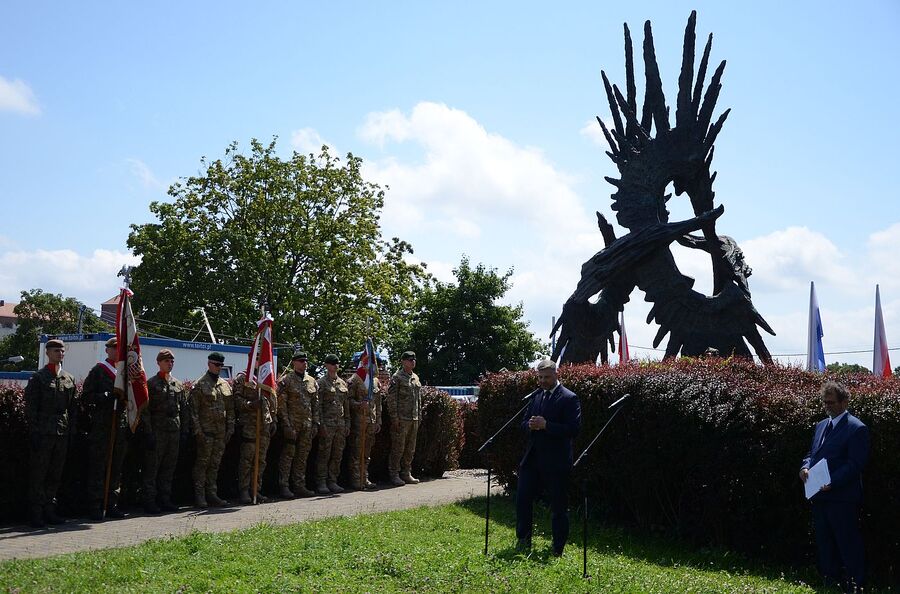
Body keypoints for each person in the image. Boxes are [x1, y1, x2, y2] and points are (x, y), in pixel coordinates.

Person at [800, 381, 870, 592]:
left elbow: (856, 464)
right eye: (824, 402)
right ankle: (830, 579)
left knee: (847, 541)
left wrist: (834, 481)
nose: (827, 406)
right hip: (819, 495)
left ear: (844, 401)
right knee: (824, 540)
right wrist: (804, 467)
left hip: (842, 497)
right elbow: (812, 453)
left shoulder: (857, 428)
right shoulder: (821, 425)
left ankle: (855, 583)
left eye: (831, 402)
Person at [515, 358, 582, 557]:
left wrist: (547, 425)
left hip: (556, 461)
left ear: (556, 375)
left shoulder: (569, 398)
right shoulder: (536, 396)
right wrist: (529, 425)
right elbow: (523, 423)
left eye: (546, 377)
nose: (543, 381)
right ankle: (523, 540)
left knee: (559, 506)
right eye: (540, 377)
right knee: (522, 499)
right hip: (533, 459)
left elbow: (574, 429)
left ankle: (558, 547)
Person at [24, 338, 77, 528]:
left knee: (55, 474)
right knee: (39, 474)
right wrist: (35, 431)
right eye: (56, 351)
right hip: (43, 432)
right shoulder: (39, 378)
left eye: (62, 351)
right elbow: (31, 407)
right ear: (47, 353)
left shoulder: (68, 378)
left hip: (61, 432)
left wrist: (72, 431)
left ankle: (49, 510)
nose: (60, 354)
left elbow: (72, 408)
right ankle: (36, 513)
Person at [83, 337, 129, 521]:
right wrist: (105, 396)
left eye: (120, 348)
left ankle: (111, 504)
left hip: (120, 424)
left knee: (116, 467)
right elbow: (86, 397)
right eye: (114, 348)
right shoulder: (99, 371)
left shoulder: (125, 372)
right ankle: (95, 505)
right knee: (98, 466)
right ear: (107, 350)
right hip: (102, 425)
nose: (117, 351)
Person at [140, 349, 189, 513]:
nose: (170, 364)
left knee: (169, 468)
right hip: (157, 431)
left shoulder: (178, 384)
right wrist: (148, 432)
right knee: (152, 468)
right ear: (159, 362)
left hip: (173, 431)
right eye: (166, 361)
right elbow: (145, 411)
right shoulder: (151, 384)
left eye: (172, 361)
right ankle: (149, 501)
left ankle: (165, 499)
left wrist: (184, 431)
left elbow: (184, 410)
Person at [189, 352, 234, 508]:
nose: (219, 368)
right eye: (216, 365)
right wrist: (198, 431)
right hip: (206, 433)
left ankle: (212, 493)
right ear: (209, 364)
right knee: (202, 465)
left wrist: (230, 428)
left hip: (221, 433)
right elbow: (193, 411)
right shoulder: (200, 384)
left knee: (215, 465)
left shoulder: (224, 384)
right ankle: (200, 496)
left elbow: (230, 409)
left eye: (221, 365)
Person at [276, 351, 320, 498]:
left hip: (307, 426)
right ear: (294, 362)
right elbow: (281, 405)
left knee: (302, 456)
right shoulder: (286, 380)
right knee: (288, 456)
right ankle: (284, 486)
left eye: (305, 361)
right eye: (301, 361)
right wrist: (287, 425)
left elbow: (315, 404)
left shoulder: (312, 381)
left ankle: (299, 485)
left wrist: (315, 423)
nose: (304, 363)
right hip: (292, 426)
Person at [233, 359, 277, 504]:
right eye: (258, 358)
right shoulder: (243, 378)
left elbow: (273, 401)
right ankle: (244, 491)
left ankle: (256, 490)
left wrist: (273, 420)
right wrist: (251, 404)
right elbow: (237, 401)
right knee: (247, 460)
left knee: (261, 460)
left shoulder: (267, 378)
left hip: (264, 426)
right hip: (250, 426)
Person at [346, 355, 383, 490]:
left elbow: (378, 403)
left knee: (367, 452)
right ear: (362, 363)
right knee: (356, 452)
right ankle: (356, 479)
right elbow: (348, 401)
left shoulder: (374, 381)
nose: (372, 365)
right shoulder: (354, 380)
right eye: (368, 362)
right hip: (358, 422)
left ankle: (364, 477)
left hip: (371, 422)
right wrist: (359, 405)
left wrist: (378, 420)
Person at [315, 354, 350, 494]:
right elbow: (318, 406)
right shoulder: (321, 383)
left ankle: (332, 480)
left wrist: (347, 423)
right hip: (327, 425)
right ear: (326, 365)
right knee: (324, 454)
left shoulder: (342, 383)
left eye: (337, 363)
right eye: (333, 363)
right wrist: (321, 424)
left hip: (340, 425)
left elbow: (345, 406)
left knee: (337, 454)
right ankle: (321, 482)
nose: (336, 365)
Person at [386, 351, 422, 486]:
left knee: (410, 448)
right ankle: (394, 474)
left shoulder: (416, 377)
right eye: (409, 359)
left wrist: (419, 417)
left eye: (414, 359)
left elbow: (418, 399)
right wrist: (394, 418)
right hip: (402, 419)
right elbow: (391, 399)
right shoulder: (397, 378)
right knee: (398, 448)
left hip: (414, 418)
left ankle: (406, 473)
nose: (412, 361)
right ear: (403, 361)